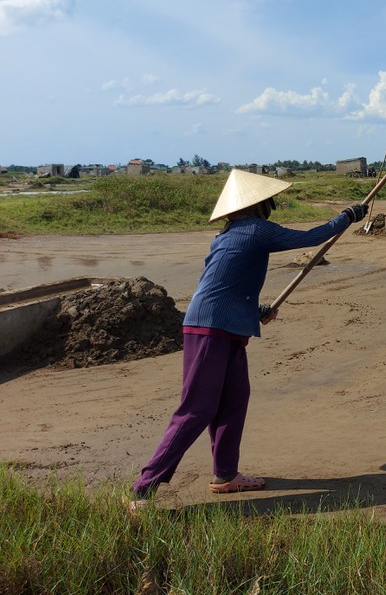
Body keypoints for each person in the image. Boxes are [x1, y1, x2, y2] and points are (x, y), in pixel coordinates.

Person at [128, 169, 367, 509]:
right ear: (259, 205)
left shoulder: (229, 234)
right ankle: (144, 487)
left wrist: (255, 311)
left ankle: (225, 475)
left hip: (223, 326)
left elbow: (227, 283)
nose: (272, 207)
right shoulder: (256, 230)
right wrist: (348, 216)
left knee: (235, 398)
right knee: (196, 410)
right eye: (270, 202)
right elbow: (314, 237)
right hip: (209, 328)